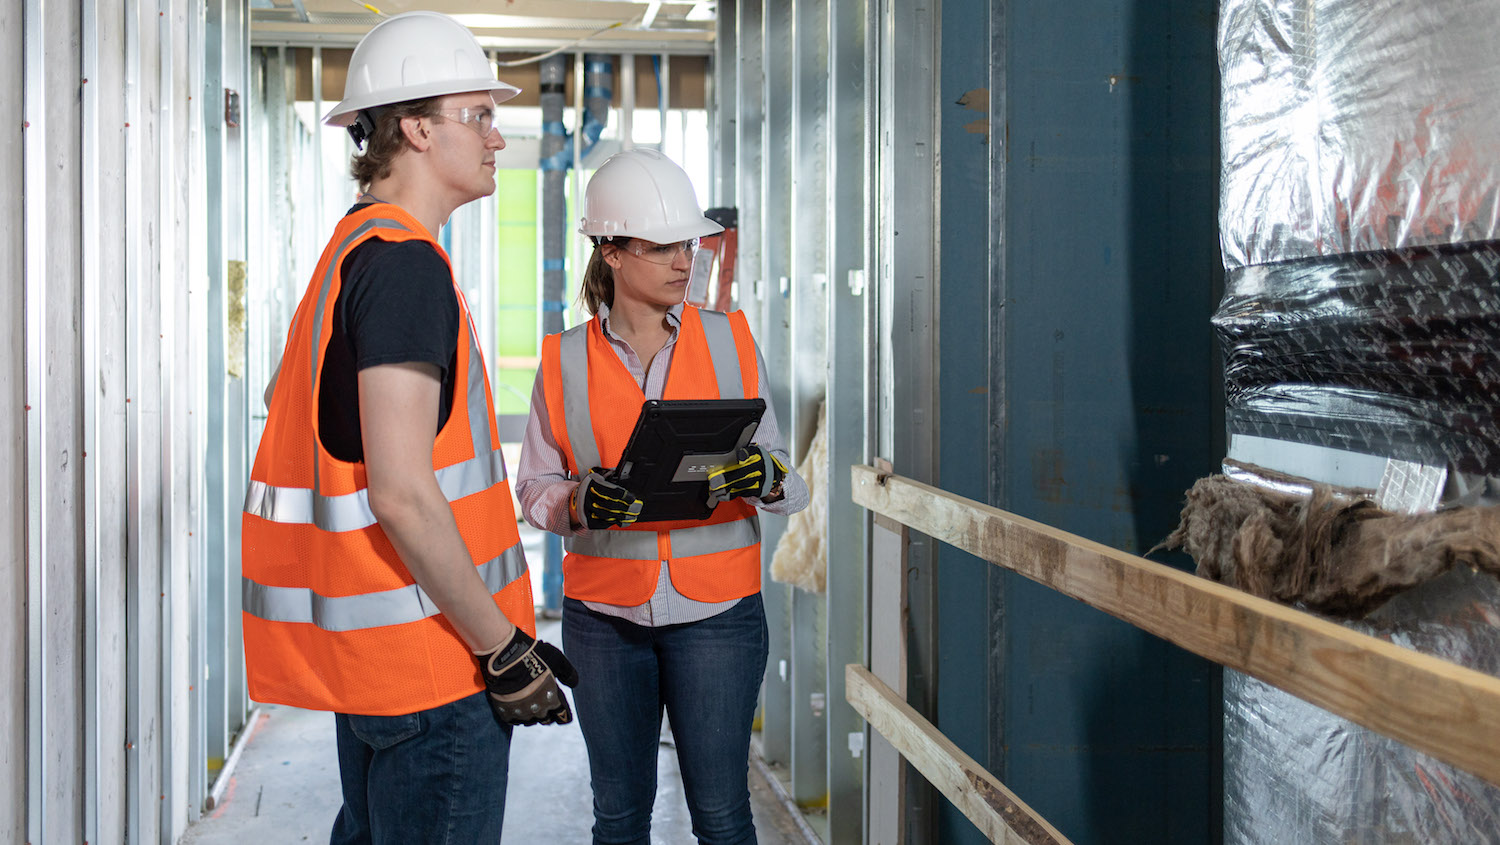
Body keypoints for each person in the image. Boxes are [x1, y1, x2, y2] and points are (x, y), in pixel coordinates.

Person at [240, 11, 576, 843]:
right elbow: (401, 492)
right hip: (436, 675)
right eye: (479, 115)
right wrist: (505, 648)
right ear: (418, 128)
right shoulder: (403, 267)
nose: (498, 137)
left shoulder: (354, 250)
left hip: (384, 676)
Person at [516, 148, 809, 845]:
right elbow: (532, 487)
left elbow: (790, 486)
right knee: (618, 819)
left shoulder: (732, 339)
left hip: (719, 613)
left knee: (721, 815)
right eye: (662, 246)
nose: (685, 260)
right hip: (605, 616)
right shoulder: (563, 359)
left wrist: (762, 476)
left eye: (687, 243)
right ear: (611, 250)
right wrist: (580, 505)